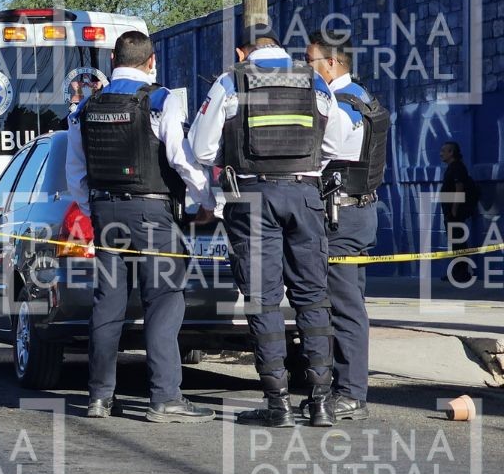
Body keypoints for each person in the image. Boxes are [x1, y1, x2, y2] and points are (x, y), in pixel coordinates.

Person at [187, 24, 344, 428]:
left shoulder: (230, 81)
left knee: (264, 300)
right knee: (313, 298)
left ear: (242, 54)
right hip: (306, 195)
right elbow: (337, 144)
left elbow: (201, 149)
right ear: (279, 48)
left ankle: (278, 405)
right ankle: (321, 402)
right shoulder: (314, 81)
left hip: (251, 199)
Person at [67, 30, 216, 423]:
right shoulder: (161, 100)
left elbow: (75, 174)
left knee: (108, 303)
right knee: (164, 302)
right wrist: (207, 203)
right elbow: (181, 159)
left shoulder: (85, 107)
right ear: (151, 62)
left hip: (105, 214)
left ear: (112, 61)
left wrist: (97, 208)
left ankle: (99, 397)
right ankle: (164, 398)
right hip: (152, 215)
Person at [306, 30, 391, 421]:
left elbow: (322, 159)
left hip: (342, 216)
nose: (306, 69)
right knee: (342, 304)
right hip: (355, 212)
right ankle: (343, 389)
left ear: (332, 63)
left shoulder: (340, 106)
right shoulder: (362, 97)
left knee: (343, 307)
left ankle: (351, 393)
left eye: (310, 62)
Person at [439, 141, 476, 283]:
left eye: (444, 150)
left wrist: (454, 210)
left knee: (459, 243)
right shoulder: (451, 168)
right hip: (450, 213)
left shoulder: (457, 168)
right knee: (455, 243)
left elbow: (459, 187)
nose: (441, 153)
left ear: (451, 152)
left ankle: (462, 273)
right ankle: (457, 272)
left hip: (455, 214)